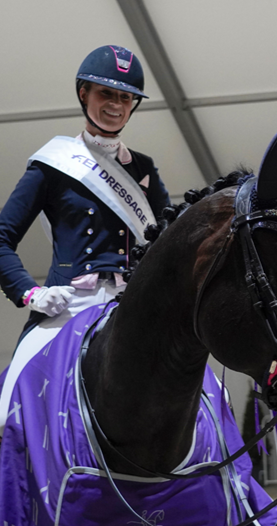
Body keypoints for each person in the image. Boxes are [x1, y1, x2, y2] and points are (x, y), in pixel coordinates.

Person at [0, 45, 171, 431]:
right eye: (105, 93)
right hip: (66, 306)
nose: (116, 104)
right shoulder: (52, 165)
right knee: (8, 403)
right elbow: (1, 237)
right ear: (84, 94)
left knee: (207, 392)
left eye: (125, 97)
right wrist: (32, 293)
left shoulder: (143, 170)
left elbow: (166, 244)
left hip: (131, 304)